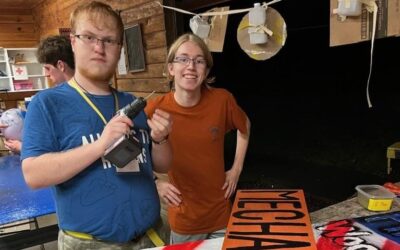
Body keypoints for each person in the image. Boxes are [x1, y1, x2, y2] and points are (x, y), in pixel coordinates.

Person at [21, 1, 172, 249]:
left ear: (119, 49)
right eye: (89, 37)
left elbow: (162, 163)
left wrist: (160, 138)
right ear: (73, 42)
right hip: (90, 244)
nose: (99, 48)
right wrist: (100, 145)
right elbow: (34, 174)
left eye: (109, 40)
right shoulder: (46, 104)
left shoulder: (131, 102)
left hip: (150, 237)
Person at [145, 33, 251, 244]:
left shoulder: (222, 100)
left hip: (221, 214)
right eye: (183, 59)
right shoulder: (155, 108)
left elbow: (245, 125)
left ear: (206, 70)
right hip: (185, 220)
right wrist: (154, 182)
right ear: (170, 68)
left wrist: (236, 169)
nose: (191, 66)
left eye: (199, 60)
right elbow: (127, 154)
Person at [0, 36, 76, 155]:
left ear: (61, 66)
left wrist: (23, 148)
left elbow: (67, 147)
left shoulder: (49, 100)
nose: (45, 74)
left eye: (47, 68)